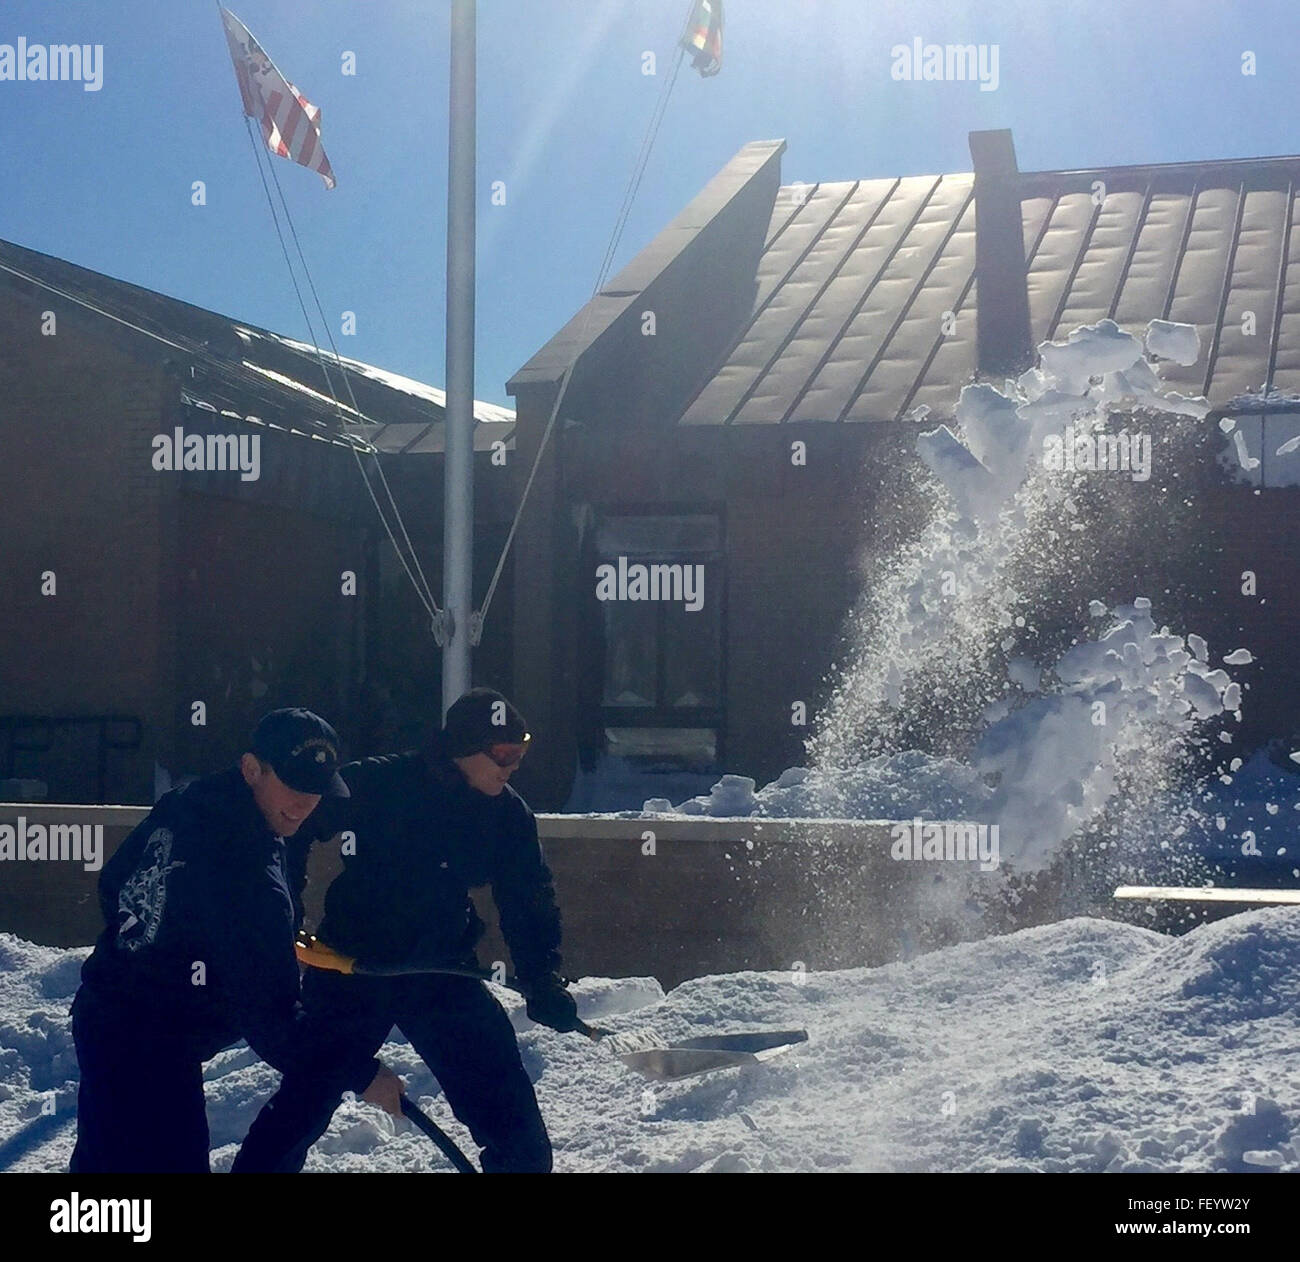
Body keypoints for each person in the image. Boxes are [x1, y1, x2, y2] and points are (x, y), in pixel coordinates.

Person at [233, 688, 577, 1174]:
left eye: (520, 752)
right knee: (301, 1107)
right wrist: (284, 914)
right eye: (503, 753)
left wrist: (542, 976)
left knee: (514, 1126)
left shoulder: (507, 815)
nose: (513, 765)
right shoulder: (382, 783)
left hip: (442, 972)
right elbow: (297, 821)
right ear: (464, 746)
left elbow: (529, 897)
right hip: (352, 968)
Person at [69, 708, 398, 1173]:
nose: (306, 803)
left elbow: (116, 881)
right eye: (294, 784)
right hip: (153, 1040)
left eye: (316, 790)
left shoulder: (191, 800)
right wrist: (364, 1074)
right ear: (251, 768)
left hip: (108, 1012)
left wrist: (167, 942)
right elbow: (274, 1022)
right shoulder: (248, 873)